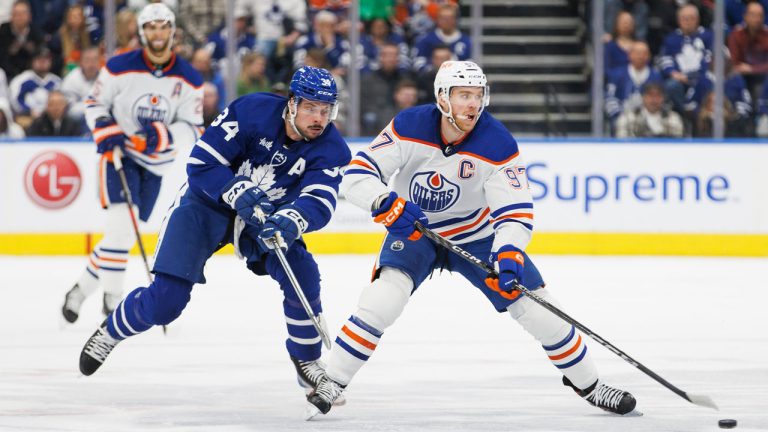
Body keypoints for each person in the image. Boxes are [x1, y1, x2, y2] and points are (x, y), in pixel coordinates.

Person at [306, 61, 637, 418]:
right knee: (382, 299)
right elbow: (358, 174)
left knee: (540, 310)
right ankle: (333, 380)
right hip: (416, 230)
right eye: (464, 95)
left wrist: (509, 252)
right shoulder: (409, 125)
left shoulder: (497, 142)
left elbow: (514, 211)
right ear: (442, 98)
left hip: (477, 235)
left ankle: (589, 384)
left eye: (478, 95)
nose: (473, 104)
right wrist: (384, 202)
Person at [76, 66, 352, 401]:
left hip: (264, 217)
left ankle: (307, 360)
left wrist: (293, 218)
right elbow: (202, 163)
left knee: (303, 272)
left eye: (326, 110)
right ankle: (112, 330)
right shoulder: (251, 111)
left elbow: (319, 201)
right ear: (291, 103)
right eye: (311, 107)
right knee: (166, 302)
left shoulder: (332, 149)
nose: (319, 119)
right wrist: (234, 189)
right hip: (206, 205)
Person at [61, 3, 204, 323]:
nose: (157, 32)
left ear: (171, 31)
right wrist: (108, 130)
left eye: (162, 26)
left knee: (121, 235)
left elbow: (194, 128)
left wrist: (159, 135)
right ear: (142, 31)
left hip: (156, 165)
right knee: (121, 228)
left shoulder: (189, 77)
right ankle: (113, 301)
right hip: (118, 156)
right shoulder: (118, 66)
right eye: (151, 26)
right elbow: (95, 102)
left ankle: (80, 291)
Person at [615, 81, 684, 138]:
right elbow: (621, 144)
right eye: (650, 95)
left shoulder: (673, 118)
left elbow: (677, 144)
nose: (654, 100)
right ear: (643, 97)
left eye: (658, 95)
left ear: (663, 98)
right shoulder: (627, 118)